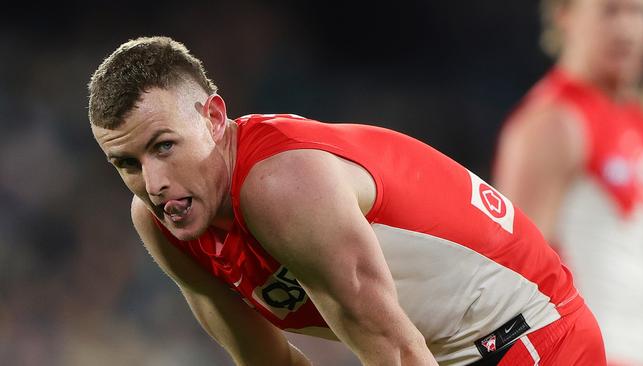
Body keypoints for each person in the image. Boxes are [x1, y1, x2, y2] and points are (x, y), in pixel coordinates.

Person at [88, 36, 605, 366]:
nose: (152, 183)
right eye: (127, 165)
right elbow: (265, 363)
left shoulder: (281, 185)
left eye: (163, 147)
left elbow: (396, 353)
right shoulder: (162, 226)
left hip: (534, 338)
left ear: (215, 117)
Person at [493, 0, 643, 364]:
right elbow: (516, 276)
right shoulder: (549, 124)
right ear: (565, 15)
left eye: (639, 13)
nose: (626, 29)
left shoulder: (636, 120)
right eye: (610, 11)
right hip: (595, 354)